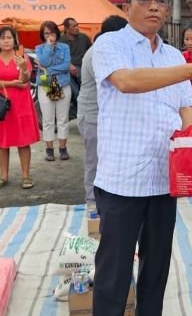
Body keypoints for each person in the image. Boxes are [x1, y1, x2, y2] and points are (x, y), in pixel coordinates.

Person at [91, 0, 192, 316]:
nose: (154, 7)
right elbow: (127, 82)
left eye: (161, 1)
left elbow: (184, 111)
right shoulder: (110, 44)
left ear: (168, 9)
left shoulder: (172, 56)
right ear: (126, 6)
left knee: (158, 262)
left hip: (164, 177)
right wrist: (189, 71)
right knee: (114, 269)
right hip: (121, 178)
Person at [77, 15, 128, 211]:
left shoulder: (107, 50)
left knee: (106, 159)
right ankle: (92, 202)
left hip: (103, 116)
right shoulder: (98, 53)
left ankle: (106, 200)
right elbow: (120, 83)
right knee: (94, 161)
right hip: (92, 116)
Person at [0, 26, 39, 190]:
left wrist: (22, 69)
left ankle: (26, 175)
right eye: (2, 38)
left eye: (9, 37)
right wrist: (9, 83)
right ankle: (3, 176)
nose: (6, 40)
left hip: (20, 105)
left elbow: (24, 83)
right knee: (2, 142)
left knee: (23, 142)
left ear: (15, 40)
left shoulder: (22, 58)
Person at [34, 21, 72, 162]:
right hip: (45, 83)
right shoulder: (39, 48)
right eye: (46, 33)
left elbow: (66, 66)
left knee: (62, 118)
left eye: (52, 32)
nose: (49, 36)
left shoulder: (65, 47)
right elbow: (43, 61)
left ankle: (63, 148)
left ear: (57, 33)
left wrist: (48, 70)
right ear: (42, 35)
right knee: (47, 119)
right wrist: (49, 47)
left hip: (61, 82)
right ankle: (49, 149)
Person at [61, 17, 92, 119]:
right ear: (66, 28)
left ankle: (81, 104)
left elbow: (92, 53)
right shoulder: (61, 41)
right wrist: (69, 65)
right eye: (74, 26)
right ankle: (78, 103)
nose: (77, 27)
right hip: (66, 69)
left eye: (77, 25)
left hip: (83, 68)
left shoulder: (84, 38)